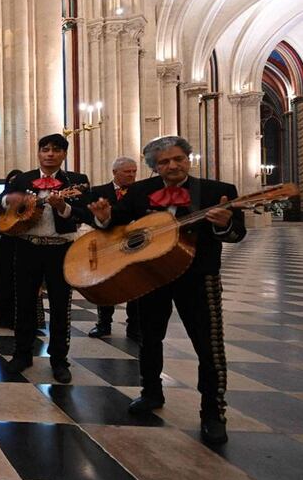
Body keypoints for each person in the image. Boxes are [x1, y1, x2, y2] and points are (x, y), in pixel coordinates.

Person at [88, 135, 245, 445]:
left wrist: (223, 223)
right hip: (151, 275)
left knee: (209, 345)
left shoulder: (217, 191)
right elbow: (115, 223)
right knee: (149, 337)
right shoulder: (141, 191)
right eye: (164, 162)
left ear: (188, 158)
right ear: (154, 166)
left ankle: (213, 412)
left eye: (178, 159)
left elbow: (236, 234)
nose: (172, 165)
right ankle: (151, 392)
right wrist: (104, 216)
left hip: (198, 277)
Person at [3, 134, 89, 383]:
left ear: (64, 154)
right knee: (24, 304)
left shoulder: (76, 181)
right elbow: (4, 205)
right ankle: (22, 354)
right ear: (39, 153)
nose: (50, 154)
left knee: (61, 306)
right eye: (45, 149)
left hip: (60, 249)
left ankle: (59, 359)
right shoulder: (23, 179)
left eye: (56, 150)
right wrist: (11, 203)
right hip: (28, 248)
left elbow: (82, 213)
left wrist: (63, 207)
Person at [0, 169, 46, 331]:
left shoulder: (31, 198)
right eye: (11, 181)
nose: (13, 184)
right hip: (8, 241)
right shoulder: (4, 199)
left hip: (27, 240)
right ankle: (3, 316)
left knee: (29, 280)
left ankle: (30, 318)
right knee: (5, 276)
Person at [86, 156, 141, 340]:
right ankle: (103, 324)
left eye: (134, 171)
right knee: (105, 284)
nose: (132, 175)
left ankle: (134, 325)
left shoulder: (141, 191)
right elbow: (90, 216)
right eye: (127, 172)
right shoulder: (99, 191)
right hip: (106, 242)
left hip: (134, 243)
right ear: (115, 173)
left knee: (135, 284)